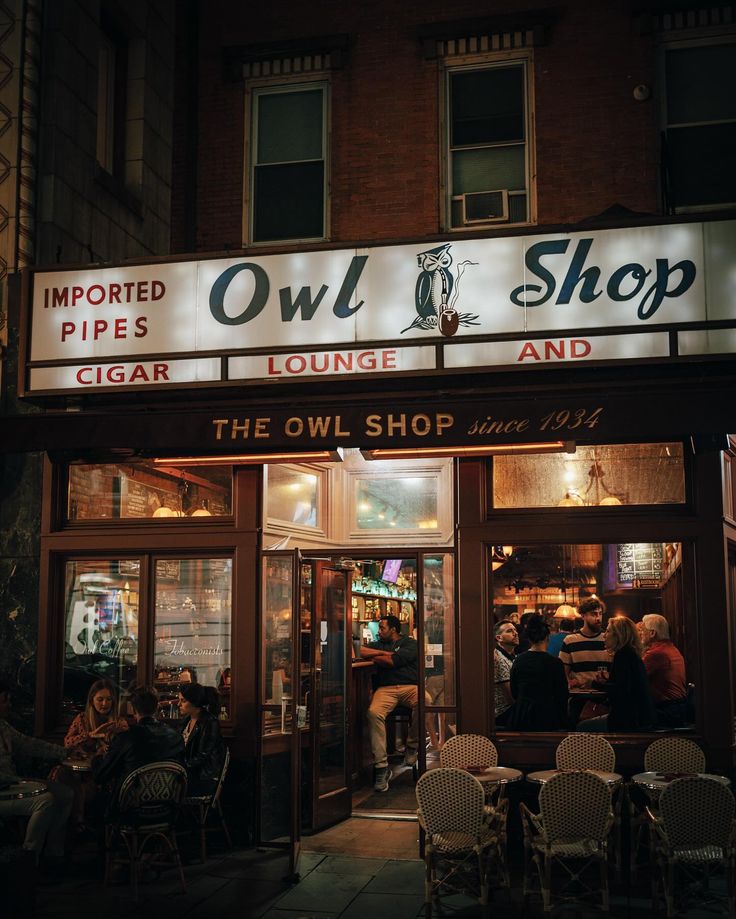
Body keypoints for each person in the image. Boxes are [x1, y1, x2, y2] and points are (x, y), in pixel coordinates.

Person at [0, 679, 74, 869]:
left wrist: (65, 752)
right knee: (45, 801)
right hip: (5, 788)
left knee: (66, 794)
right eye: (5, 700)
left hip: (12, 784)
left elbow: (28, 743)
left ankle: (53, 854)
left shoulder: (3, 727)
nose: (9, 704)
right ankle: (28, 861)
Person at [91, 686, 185, 813]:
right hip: (168, 809)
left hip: (129, 811)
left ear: (133, 709)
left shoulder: (126, 738)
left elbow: (100, 775)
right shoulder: (176, 737)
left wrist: (97, 756)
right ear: (157, 707)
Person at [360, 615, 426, 792]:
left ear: (393, 630)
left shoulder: (410, 643)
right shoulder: (379, 643)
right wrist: (384, 653)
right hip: (386, 689)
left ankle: (412, 746)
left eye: (382, 628)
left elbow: (393, 661)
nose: (379, 631)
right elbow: (362, 651)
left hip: (410, 687)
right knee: (373, 713)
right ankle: (381, 767)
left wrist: (384, 657)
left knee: (425, 701)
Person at [54, 679, 129, 830]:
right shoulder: (82, 719)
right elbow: (67, 743)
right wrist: (90, 735)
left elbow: (124, 748)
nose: (104, 704)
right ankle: (76, 824)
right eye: (100, 699)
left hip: (104, 772)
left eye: (108, 699)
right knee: (65, 775)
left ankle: (80, 823)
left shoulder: (118, 722)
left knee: (84, 787)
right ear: (92, 700)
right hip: (81, 770)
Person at [577, 616, 656, 732]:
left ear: (619, 635)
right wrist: (606, 682)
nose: (604, 635)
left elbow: (620, 690)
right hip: (641, 717)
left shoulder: (623, 655)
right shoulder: (630, 653)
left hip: (629, 720)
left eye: (608, 631)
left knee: (581, 727)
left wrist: (593, 684)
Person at [505, 616, 568, 731]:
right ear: (547, 637)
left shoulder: (519, 660)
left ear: (529, 639)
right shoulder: (555, 663)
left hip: (522, 717)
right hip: (548, 717)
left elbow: (514, 692)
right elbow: (562, 695)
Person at [559, 597, 610, 723]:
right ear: (583, 615)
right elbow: (562, 673)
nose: (598, 618)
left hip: (605, 699)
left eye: (600, 614)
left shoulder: (608, 639)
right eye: (593, 614)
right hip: (579, 699)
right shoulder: (570, 640)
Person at [639, 614, 690, 727]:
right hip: (677, 710)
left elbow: (634, 678)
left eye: (643, 630)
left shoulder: (656, 654)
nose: (640, 634)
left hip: (665, 712)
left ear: (652, 633)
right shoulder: (672, 649)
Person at [178, 683, 226, 795]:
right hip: (188, 774)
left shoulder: (210, 723)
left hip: (204, 778)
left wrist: (180, 768)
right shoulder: (186, 721)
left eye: (183, 701)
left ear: (195, 702)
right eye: (179, 700)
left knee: (170, 788)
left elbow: (202, 755)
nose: (179, 704)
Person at [493, 619, 518, 726]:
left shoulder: (512, 656)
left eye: (515, 630)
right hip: (503, 712)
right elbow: (510, 698)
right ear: (499, 638)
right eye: (509, 631)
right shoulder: (499, 659)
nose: (515, 633)